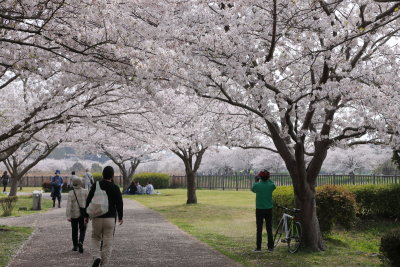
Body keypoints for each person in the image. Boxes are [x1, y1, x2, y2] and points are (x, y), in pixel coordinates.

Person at [85, 166, 123, 267]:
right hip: (110, 218)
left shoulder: (96, 185)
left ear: (103, 174)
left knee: (95, 237)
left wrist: (86, 215)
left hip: (97, 217)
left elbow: (88, 200)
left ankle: (97, 256)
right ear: (112, 175)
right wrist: (120, 216)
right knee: (108, 241)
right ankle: (104, 264)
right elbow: (119, 203)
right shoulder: (115, 187)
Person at [251, 170, 276, 252]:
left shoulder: (257, 185)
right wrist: (268, 179)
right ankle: (270, 247)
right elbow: (273, 185)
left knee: (259, 229)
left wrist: (256, 180)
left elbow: (253, 189)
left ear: (260, 177)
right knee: (269, 228)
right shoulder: (271, 185)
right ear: (268, 177)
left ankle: (258, 247)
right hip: (269, 209)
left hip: (259, 209)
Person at [66, 176, 88, 253]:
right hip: (82, 214)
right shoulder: (85, 191)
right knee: (82, 229)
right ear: (80, 183)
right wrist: (88, 214)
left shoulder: (71, 193)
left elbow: (69, 205)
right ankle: (81, 242)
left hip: (73, 214)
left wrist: (68, 215)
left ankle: (75, 246)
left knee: (74, 230)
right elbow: (88, 203)